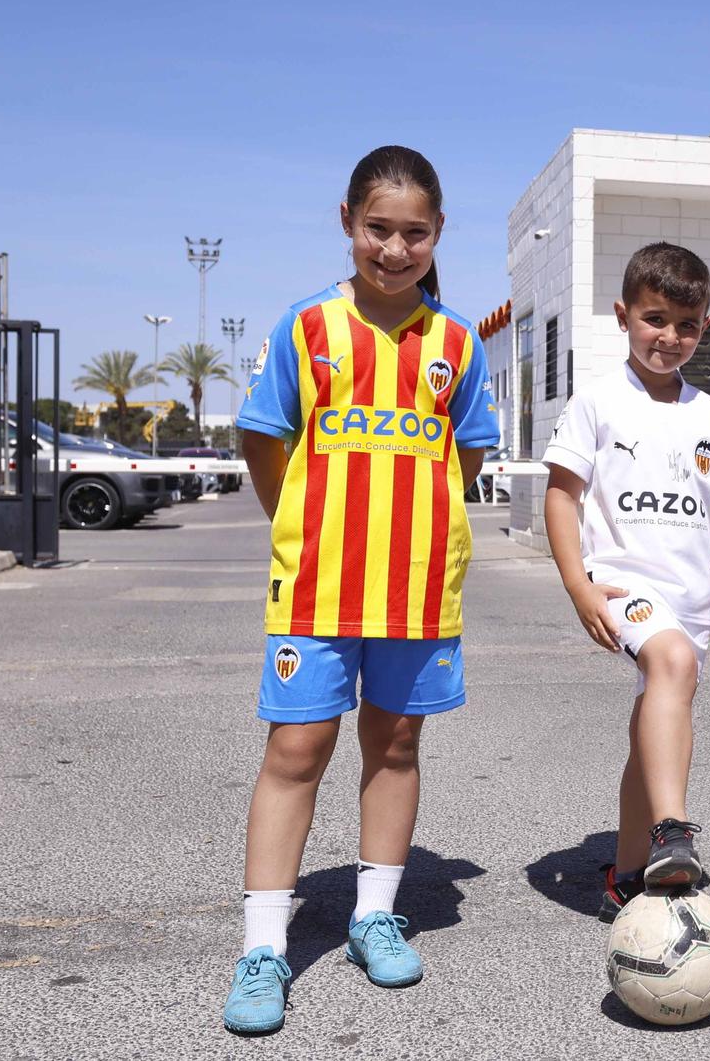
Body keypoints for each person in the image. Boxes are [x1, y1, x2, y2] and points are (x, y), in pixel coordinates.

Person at [223, 146, 500, 1034]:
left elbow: (467, 457)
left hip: (419, 592)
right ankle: (263, 945)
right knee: (296, 751)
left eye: (413, 232)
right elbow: (266, 440)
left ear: (437, 235)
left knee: (396, 747)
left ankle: (373, 914)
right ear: (347, 223)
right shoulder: (305, 329)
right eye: (378, 228)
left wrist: (418, 526)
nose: (394, 247)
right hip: (317, 588)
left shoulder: (457, 343)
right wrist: (304, 521)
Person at [542, 242, 710, 923]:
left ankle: (625, 877)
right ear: (624, 315)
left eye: (686, 324)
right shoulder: (598, 401)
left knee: (652, 730)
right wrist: (579, 585)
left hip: (690, 598)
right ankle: (672, 832)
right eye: (656, 319)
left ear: (704, 327)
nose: (670, 336)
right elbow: (562, 496)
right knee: (672, 661)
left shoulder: (709, 411)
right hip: (625, 584)